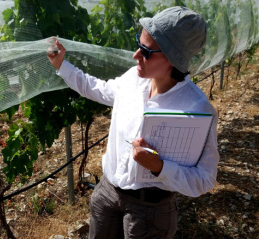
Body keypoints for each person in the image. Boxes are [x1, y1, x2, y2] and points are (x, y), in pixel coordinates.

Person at [47, 6, 219, 239]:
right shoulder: (133, 80)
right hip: (107, 194)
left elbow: (205, 179)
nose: (135, 55)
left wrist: (160, 167)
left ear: (173, 58)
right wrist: (62, 66)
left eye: (146, 51)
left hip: (150, 212)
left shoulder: (197, 109)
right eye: (139, 44)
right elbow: (99, 89)